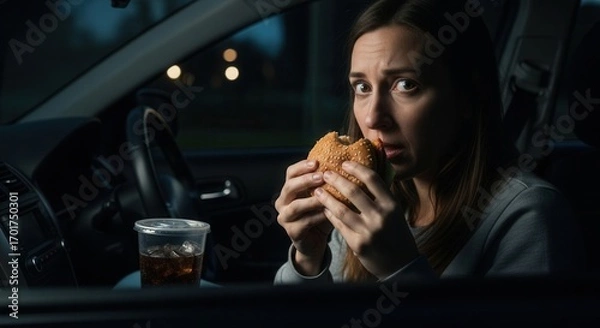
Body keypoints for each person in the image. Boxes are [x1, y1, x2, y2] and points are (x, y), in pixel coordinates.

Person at [273, 0, 585, 284]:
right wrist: (307, 260)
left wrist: (399, 269)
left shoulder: (530, 216)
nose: (372, 118)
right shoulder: (365, 198)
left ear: (467, 97)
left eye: (405, 84)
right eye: (362, 86)